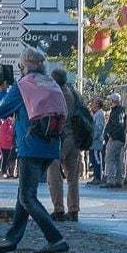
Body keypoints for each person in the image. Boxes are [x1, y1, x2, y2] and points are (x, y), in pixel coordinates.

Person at [0, 47, 68, 253]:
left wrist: (2, 90)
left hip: (30, 145)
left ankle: (55, 238)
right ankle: (11, 238)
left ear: (24, 66)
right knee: (23, 194)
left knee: (27, 197)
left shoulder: (23, 86)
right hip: (51, 145)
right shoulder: (50, 82)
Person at [46, 69, 91, 222]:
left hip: (60, 138)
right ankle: (73, 209)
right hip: (75, 138)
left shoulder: (55, 94)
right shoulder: (75, 93)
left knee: (53, 174)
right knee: (73, 177)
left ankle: (58, 209)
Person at [100, 94, 127, 188]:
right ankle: (119, 180)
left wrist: (111, 135)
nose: (109, 102)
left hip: (115, 138)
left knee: (109, 158)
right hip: (119, 138)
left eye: (110, 100)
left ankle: (111, 180)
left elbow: (118, 124)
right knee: (117, 159)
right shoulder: (119, 110)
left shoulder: (117, 111)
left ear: (113, 101)